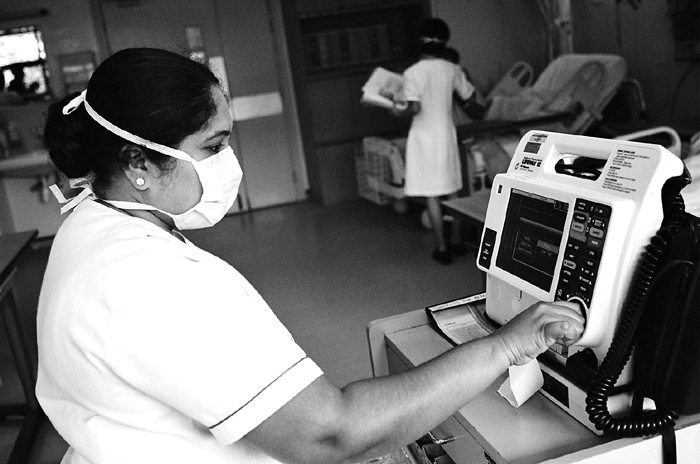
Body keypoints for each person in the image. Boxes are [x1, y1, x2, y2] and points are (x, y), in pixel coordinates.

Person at [37, 47, 585, 464]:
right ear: (139, 163)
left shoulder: (88, 224)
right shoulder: (153, 281)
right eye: (213, 146)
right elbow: (330, 433)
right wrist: (507, 345)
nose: (229, 162)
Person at [392, 18, 489, 265]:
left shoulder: (412, 73)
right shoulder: (452, 69)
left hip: (423, 136)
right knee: (452, 189)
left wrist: (396, 108)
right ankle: (457, 243)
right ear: (445, 43)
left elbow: (413, 108)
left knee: (432, 195)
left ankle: (442, 247)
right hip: (446, 133)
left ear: (420, 43)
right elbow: (469, 98)